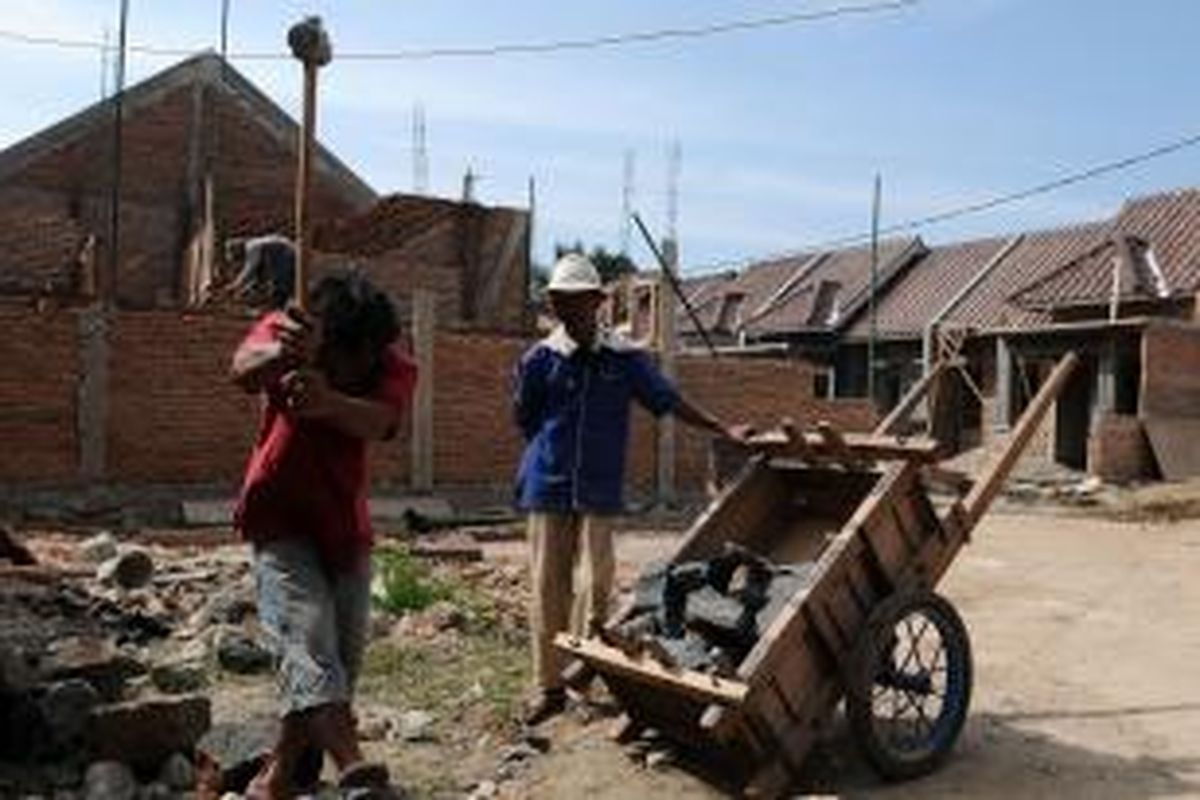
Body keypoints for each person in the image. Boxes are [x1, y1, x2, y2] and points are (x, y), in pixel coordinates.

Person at [513, 253, 748, 725]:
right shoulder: (539, 360)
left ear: (597, 302)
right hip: (548, 484)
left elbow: (667, 400)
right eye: (559, 300)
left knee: (597, 584)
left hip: (599, 487)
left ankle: (581, 673)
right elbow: (526, 418)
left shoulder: (624, 359)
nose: (566, 308)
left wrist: (720, 428)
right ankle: (549, 686)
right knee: (546, 586)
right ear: (553, 304)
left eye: (576, 300)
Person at [230, 269, 417, 799]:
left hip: (342, 527)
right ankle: (355, 769)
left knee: (333, 668)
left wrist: (329, 401)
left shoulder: (390, 359)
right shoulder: (290, 331)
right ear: (325, 341)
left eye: (366, 360)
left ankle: (277, 779)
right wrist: (283, 356)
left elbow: (382, 421)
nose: (361, 367)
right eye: (347, 357)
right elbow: (242, 371)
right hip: (279, 517)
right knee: (309, 642)